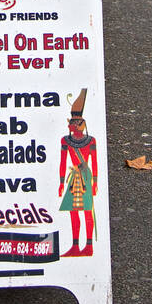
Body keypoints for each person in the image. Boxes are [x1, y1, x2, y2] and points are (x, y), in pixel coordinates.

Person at [58, 89, 98, 257]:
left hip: (85, 176)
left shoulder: (91, 141)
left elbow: (94, 161)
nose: (73, 127)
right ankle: (75, 245)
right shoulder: (65, 140)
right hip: (74, 176)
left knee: (87, 210)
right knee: (73, 211)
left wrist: (95, 181)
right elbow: (62, 162)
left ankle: (88, 245)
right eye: (72, 124)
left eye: (76, 123)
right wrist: (61, 182)